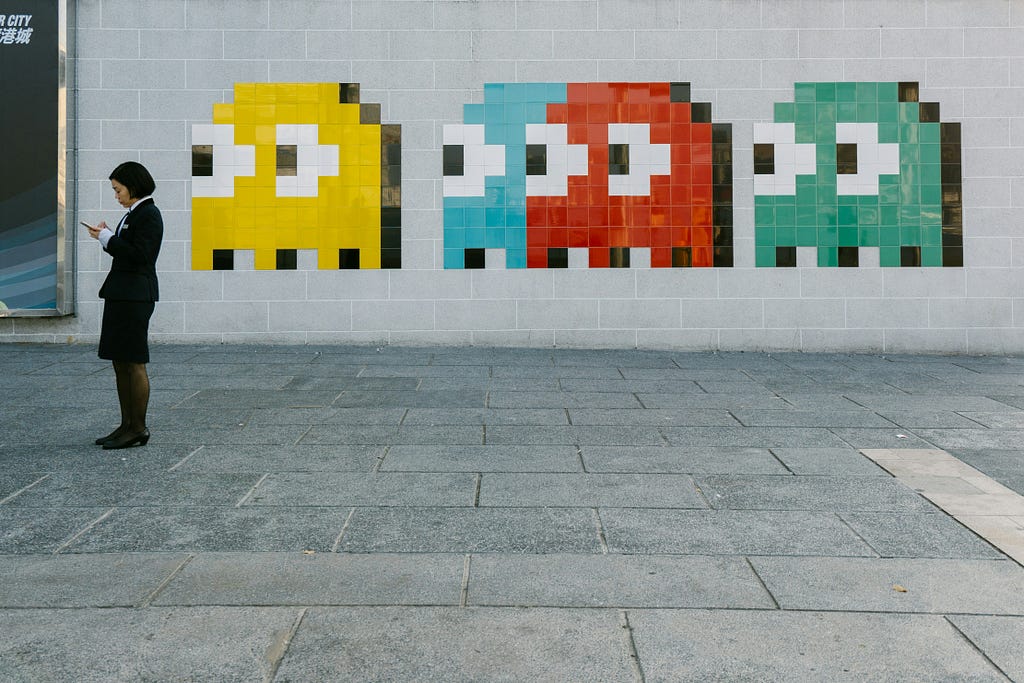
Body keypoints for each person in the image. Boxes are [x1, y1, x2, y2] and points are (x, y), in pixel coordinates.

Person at [85, 161, 163, 449]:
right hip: (122, 293)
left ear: (133, 185)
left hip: (135, 296)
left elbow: (141, 256)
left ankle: (138, 427)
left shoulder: (149, 214)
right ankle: (126, 424)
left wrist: (108, 238)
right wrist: (106, 239)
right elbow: (125, 250)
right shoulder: (134, 214)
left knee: (134, 362)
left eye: (118, 190)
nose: (116, 195)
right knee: (120, 361)